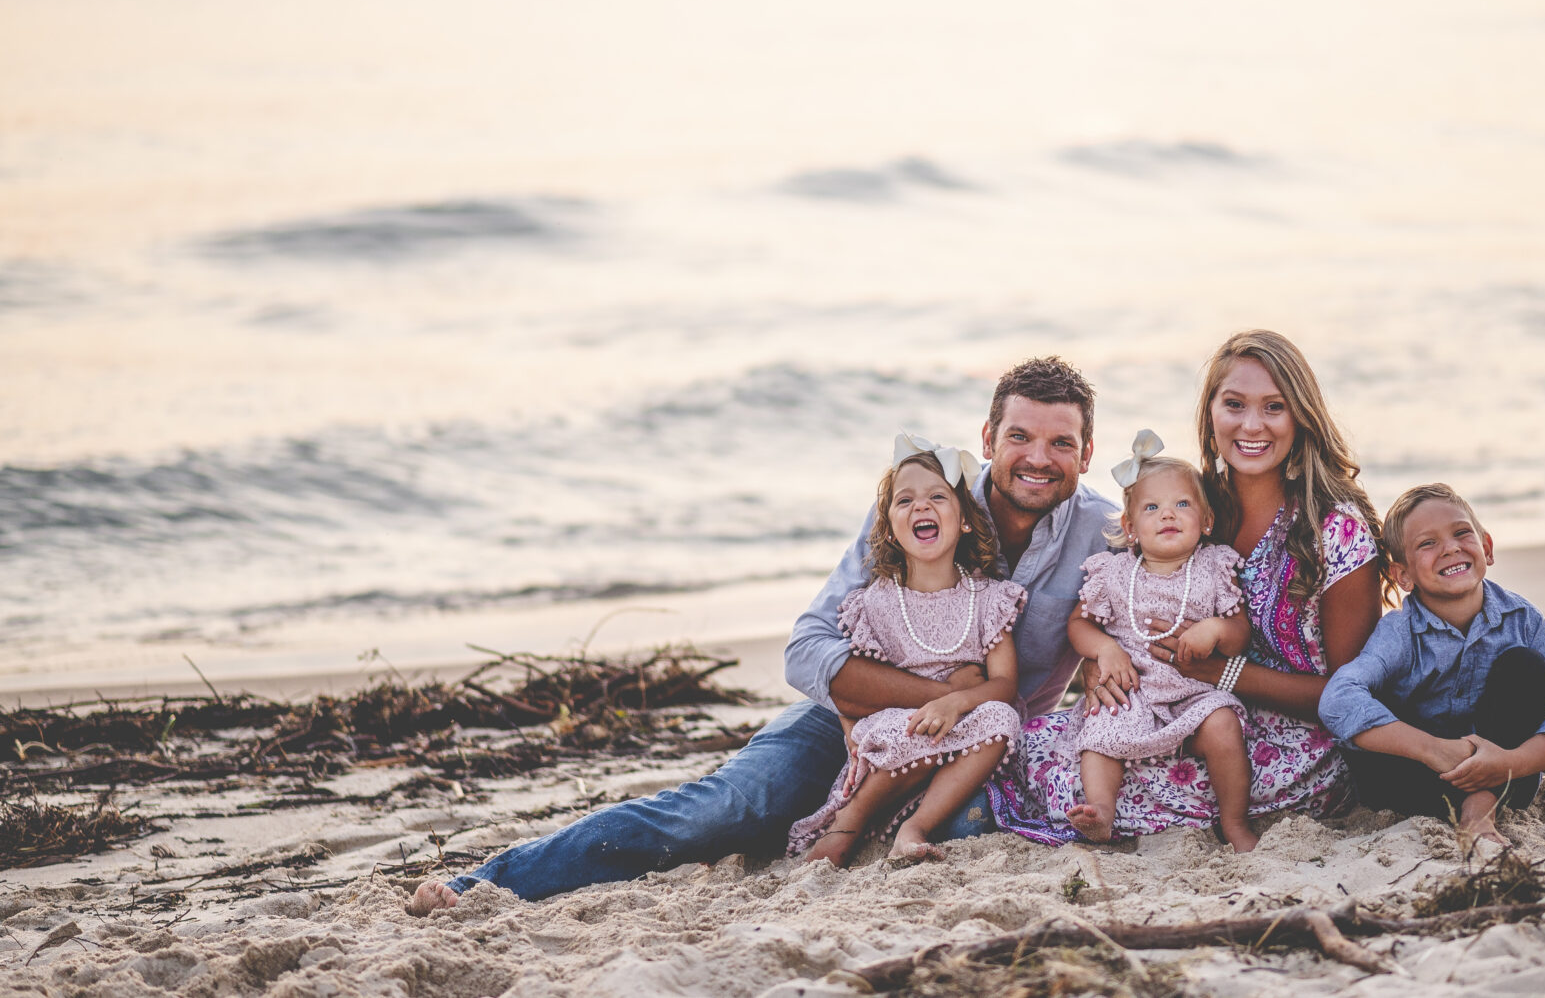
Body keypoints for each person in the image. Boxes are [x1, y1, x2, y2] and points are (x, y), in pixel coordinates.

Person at [409, 356, 1112, 913]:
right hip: (844, 723)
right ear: (989, 438)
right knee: (724, 810)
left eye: (1061, 442)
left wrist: (971, 706)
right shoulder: (925, 503)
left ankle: (839, 825)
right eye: (1019, 435)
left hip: (974, 748)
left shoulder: (1105, 535)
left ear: (1086, 452)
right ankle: (487, 882)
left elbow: (1171, 609)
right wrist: (940, 692)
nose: (1037, 456)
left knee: (970, 830)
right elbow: (807, 650)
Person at [990, 329, 1386, 844]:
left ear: (1300, 418)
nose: (1252, 424)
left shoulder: (1334, 529)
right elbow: (1121, 607)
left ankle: (1227, 820)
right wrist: (1103, 659)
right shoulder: (1192, 508)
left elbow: (1350, 696)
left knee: (1085, 781)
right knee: (1037, 744)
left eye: (1274, 407)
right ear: (1211, 415)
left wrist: (1222, 673)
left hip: (1288, 738)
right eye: (1234, 404)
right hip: (1167, 702)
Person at [786, 437, 1026, 865]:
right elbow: (855, 685)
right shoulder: (874, 604)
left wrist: (956, 703)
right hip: (897, 737)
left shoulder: (989, 599)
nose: (921, 507)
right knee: (903, 729)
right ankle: (849, 824)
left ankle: (915, 827)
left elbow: (1004, 685)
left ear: (966, 521)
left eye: (937, 496)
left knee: (1002, 718)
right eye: (905, 500)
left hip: (964, 736)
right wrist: (849, 726)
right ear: (889, 529)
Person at [1318, 483, 1545, 848]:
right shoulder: (1398, 631)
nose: (1451, 547)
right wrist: (1432, 750)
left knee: (1527, 668)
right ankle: (1475, 804)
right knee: (1371, 733)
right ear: (1403, 575)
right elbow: (1337, 698)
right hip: (1419, 778)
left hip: (1506, 771)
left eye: (1461, 533)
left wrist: (1508, 763)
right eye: (1427, 543)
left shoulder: (1523, 619)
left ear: (1486, 547)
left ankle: (1479, 807)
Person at [1064, 430, 1256, 851]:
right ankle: (1101, 811)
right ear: (1130, 528)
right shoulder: (1114, 574)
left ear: (1206, 521)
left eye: (1182, 504)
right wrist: (1105, 648)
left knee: (1223, 725)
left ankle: (1236, 823)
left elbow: (1240, 633)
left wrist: (1216, 630)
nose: (1168, 515)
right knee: (1099, 734)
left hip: (1194, 694)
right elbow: (1079, 624)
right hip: (1133, 692)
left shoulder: (1214, 566)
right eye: (1152, 508)